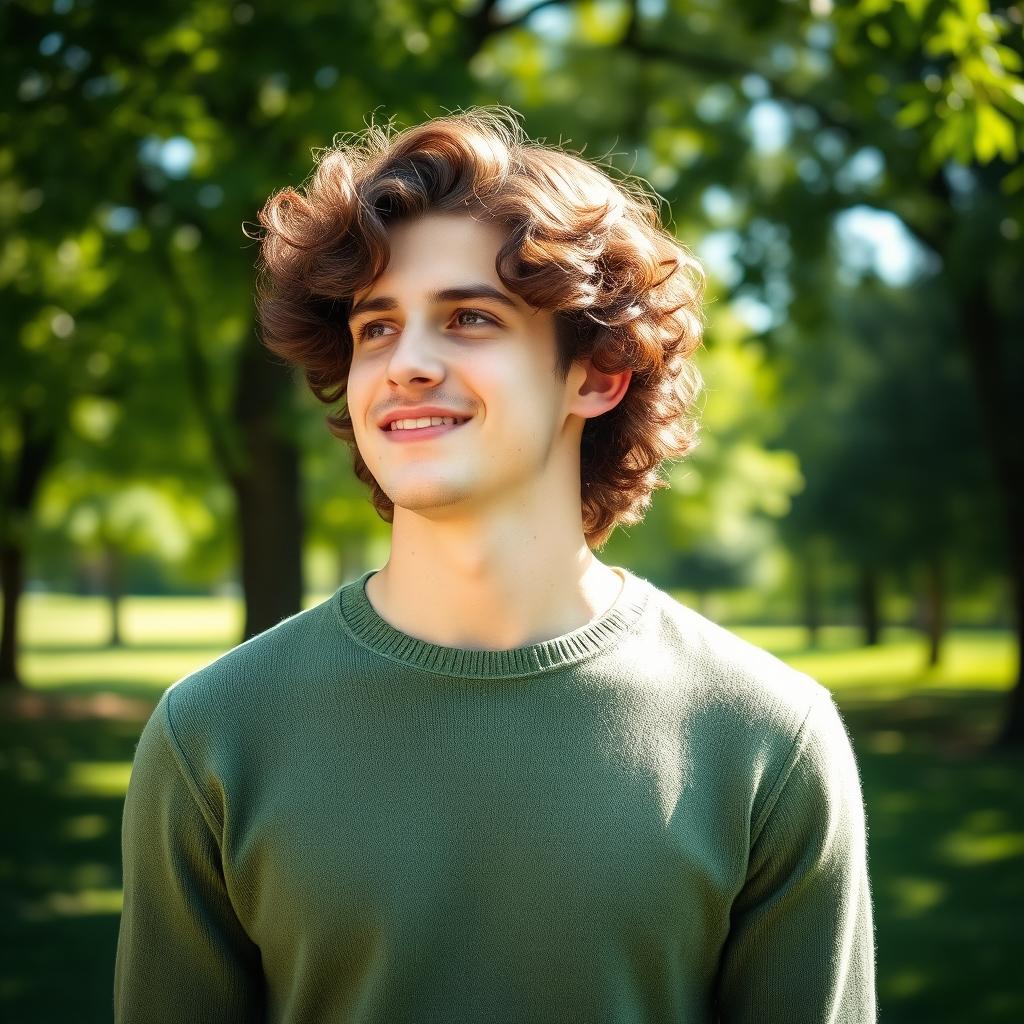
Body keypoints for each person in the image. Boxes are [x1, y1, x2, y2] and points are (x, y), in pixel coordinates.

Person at [114, 105, 876, 1023]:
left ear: (597, 374)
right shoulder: (212, 736)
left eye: (469, 318)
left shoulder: (768, 740)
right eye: (376, 328)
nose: (405, 364)